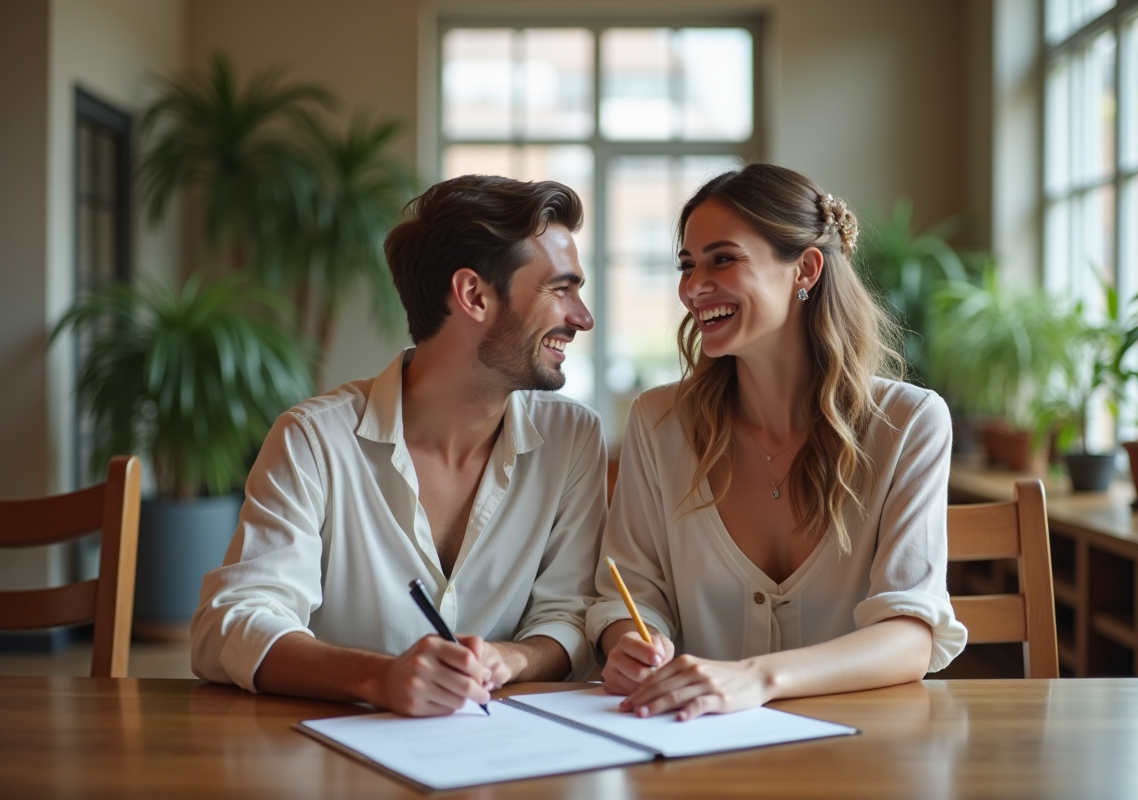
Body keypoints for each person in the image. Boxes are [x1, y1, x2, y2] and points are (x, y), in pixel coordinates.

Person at [191, 175, 607, 716]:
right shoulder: (314, 440)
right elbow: (230, 625)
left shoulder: (572, 440)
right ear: (474, 295)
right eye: (560, 289)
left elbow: (569, 617)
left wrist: (511, 659)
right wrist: (379, 678)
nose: (583, 317)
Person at [586, 163, 967, 721]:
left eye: (723, 259)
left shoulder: (910, 423)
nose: (693, 287)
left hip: (861, 751)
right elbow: (632, 596)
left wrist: (756, 679)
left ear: (805, 269)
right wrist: (626, 643)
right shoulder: (657, 420)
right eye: (687, 266)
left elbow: (908, 637)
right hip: (694, 750)